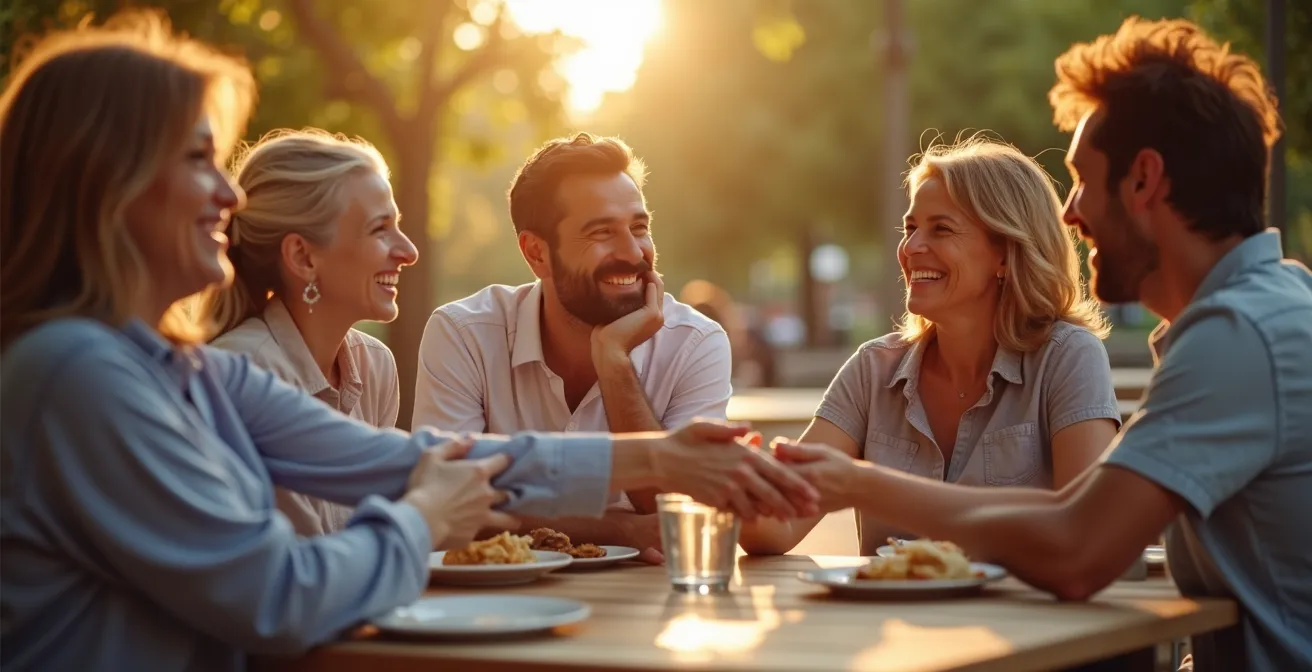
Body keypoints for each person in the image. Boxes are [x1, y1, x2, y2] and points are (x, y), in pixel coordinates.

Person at [0, 15, 818, 671]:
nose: (228, 194)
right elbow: (279, 598)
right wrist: (422, 521)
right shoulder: (76, 375)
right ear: (106, 182)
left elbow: (408, 458)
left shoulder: (177, 369)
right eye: (197, 160)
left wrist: (661, 459)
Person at [773, 18, 1311, 672]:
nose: (1069, 213)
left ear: (1144, 180)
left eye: (1083, 180)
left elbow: (1080, 550)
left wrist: (859, 483)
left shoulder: (1239, 337)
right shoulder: (1258, 314)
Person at [739, 135, 1121, 556]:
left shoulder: (1068, 357)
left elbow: (1091, 530)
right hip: (891, 602)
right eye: (910, 228)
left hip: (1020, 604)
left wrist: (869, 485)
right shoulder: (872, 370)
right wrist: (741, 478)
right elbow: (775, 527)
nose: (910, 248)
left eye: (941, 229)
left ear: (1005, 253)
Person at [412, 133, 732, 558]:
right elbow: (445, 504)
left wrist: (615, 364)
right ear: (537, 254)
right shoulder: (464, 333)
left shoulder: (696, 343)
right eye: (602, 232)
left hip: (648, 596)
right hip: (499, 594)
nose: (632, 252)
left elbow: (680, 519)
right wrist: (620, 529)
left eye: (639, 228)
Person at [201, 129, 418, 536]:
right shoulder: (242, 372)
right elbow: (300, 556)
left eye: (398, 225)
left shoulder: (375, 367)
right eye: (380, 229)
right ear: (303, 257)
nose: (409, 251)